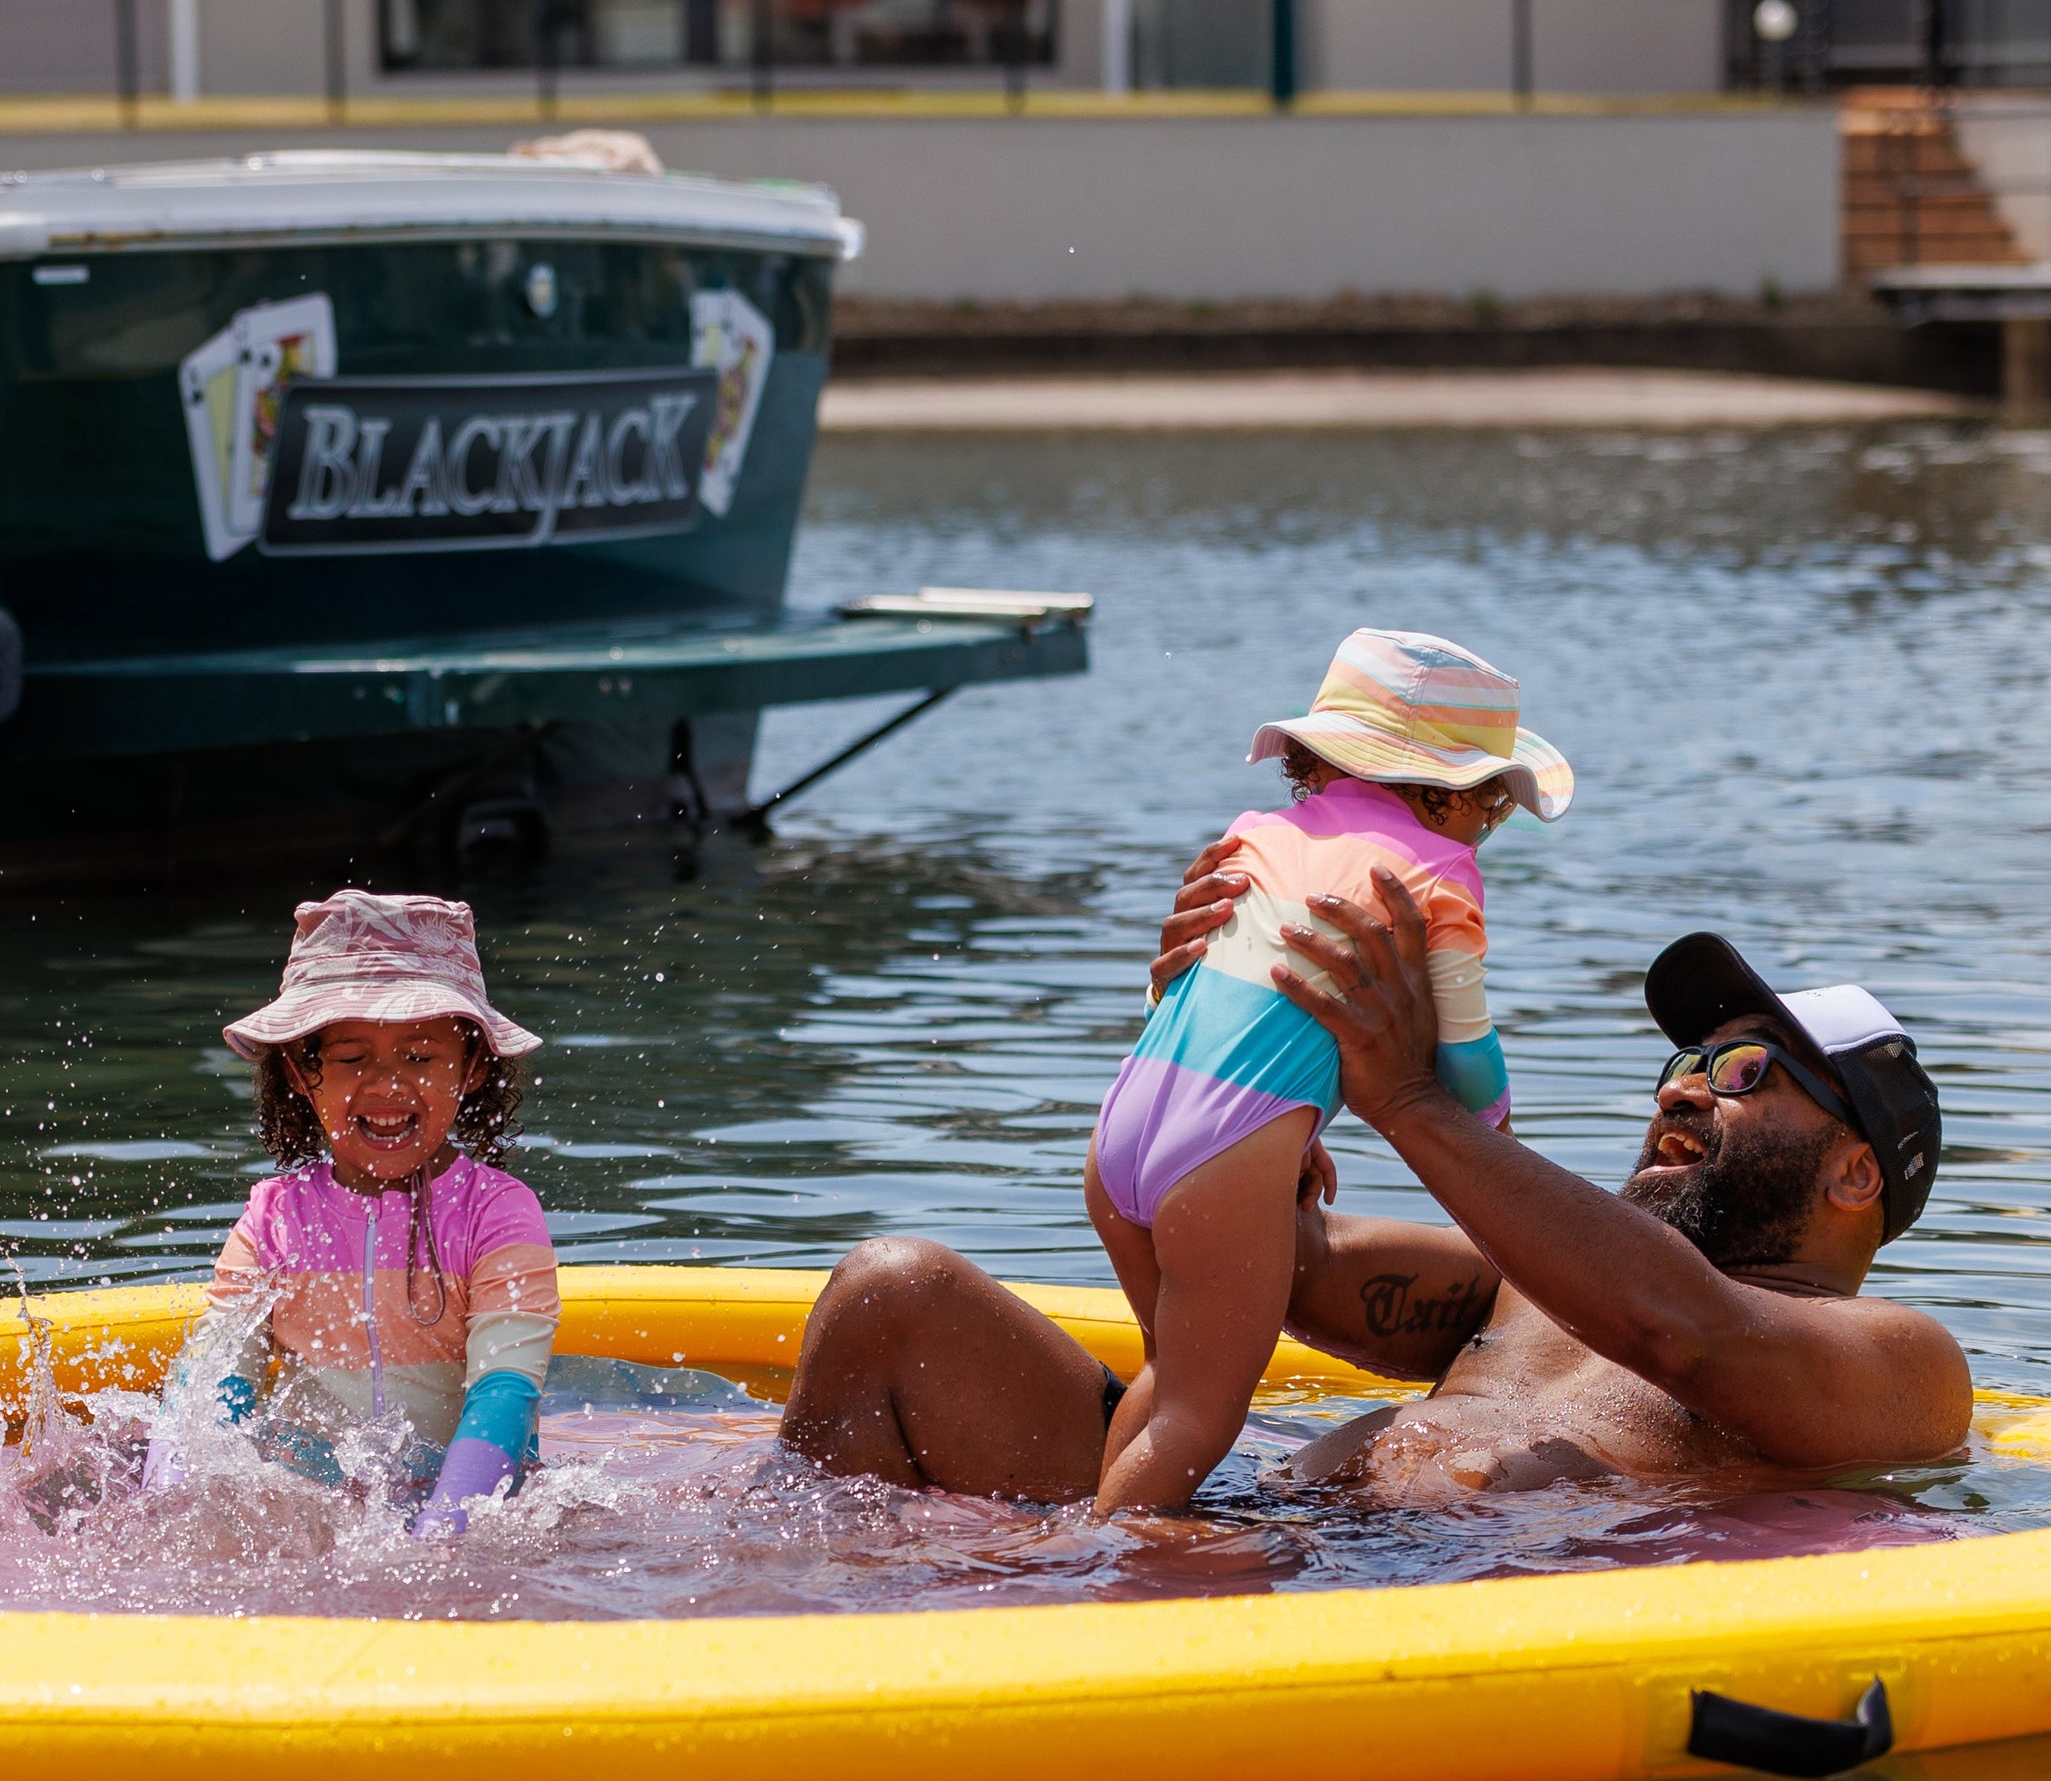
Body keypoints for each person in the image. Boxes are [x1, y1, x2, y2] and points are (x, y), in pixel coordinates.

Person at [782, 888, 1966, 1507]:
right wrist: (1223, 1026)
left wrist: (1411, 1099)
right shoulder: (1525, 1285)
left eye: (1746, 1073)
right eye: (1685, 1066)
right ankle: (780, 1616)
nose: (1692, 1090)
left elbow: (1686, 1330)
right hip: (1262, 1521)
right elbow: (1273, 1269)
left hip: (1403, 1611)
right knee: (896, 1295)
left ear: (1858, 1171)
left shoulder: (1901, 1358)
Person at [1085, 629, 1570, 1515]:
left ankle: (1096, 1522)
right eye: (1496, 809)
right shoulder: (1437, 872)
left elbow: (1207, 1005)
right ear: (1454, 799)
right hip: (1219, 1165)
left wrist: (1287, 1136)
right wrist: (1495, 1132)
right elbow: (1463, 1067)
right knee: (1198, 1417)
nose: (1490, 830)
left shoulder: (1254, 833)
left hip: (1121, 1131)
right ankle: (1088, 1573)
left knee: (1170, 1372)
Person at [195, 890, 560, 1538]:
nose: (387, 1086)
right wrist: (173, 1509)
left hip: (470, 1505)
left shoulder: (499, 1215)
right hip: (314, 1508)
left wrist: (442, 1537)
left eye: (420, 1056)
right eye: (351, 1058)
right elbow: (214, 1384)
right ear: (303, 1075)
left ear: (472, 1067)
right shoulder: (274, 1219)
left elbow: (504, 1393)